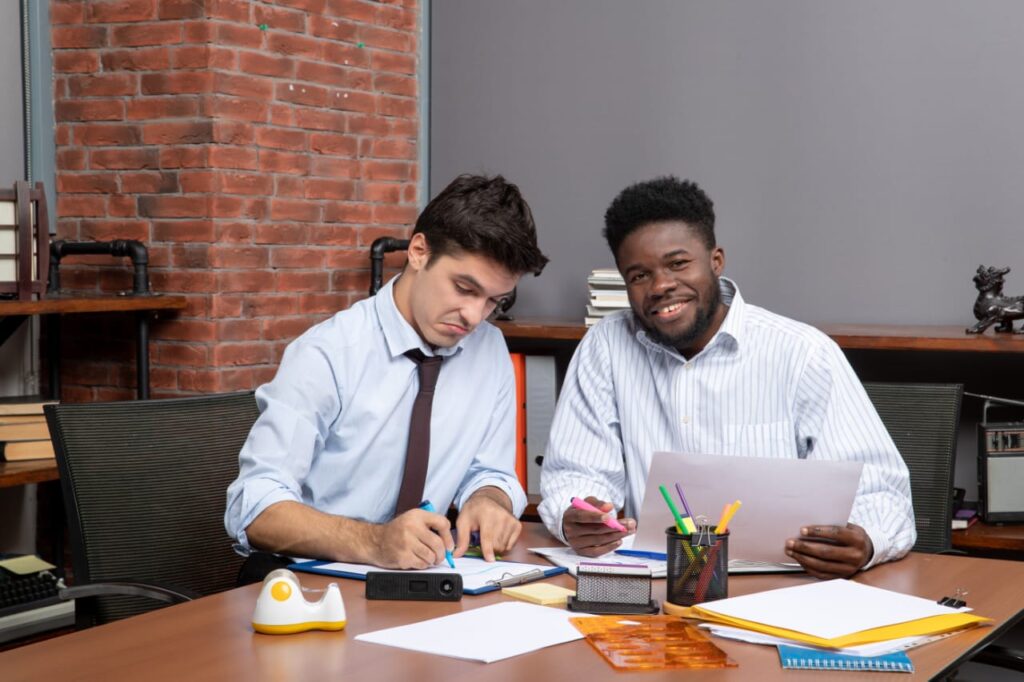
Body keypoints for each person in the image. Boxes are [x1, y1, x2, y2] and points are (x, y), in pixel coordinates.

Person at [539, 176, 915, 579]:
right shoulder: (605, 347)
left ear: (716, 261)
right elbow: (576, 474)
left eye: (678, 264)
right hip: (661, 587)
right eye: (639, 275)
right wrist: (578, 516)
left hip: (783, 586)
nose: (661, 285)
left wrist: (867, 540)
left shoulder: (803, 353)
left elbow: (881, 491)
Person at [226, 174, 548, 570]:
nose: (474, 316)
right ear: (418, 251)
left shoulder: (489, 350)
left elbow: (491, 471)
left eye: (493, 301)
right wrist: (374, 542)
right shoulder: (328, 353)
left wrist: (489, 499)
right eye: (464, 289)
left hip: (421, 578)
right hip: (310, 579)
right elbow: (254, 507)